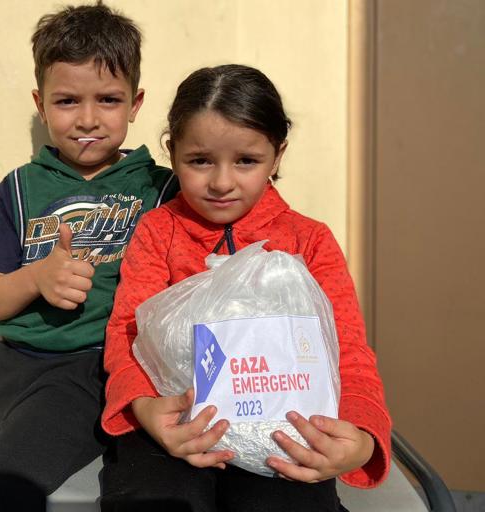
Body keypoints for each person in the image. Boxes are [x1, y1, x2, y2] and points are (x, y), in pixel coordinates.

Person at [100, 64, 391, 512]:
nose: (220, 182)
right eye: (199, 161)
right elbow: (126, 333)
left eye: (246, 161)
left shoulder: (309, 241)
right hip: (178, 427)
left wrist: (361, 438)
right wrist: (143, 407)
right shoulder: (159, 232)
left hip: (284, 433)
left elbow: (347, 351)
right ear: (171, 151)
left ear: (278, 156)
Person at [0, 3, 178, 511]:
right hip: (13, 370)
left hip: (94, 369)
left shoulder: (161, 188)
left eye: (109, 100)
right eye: (68, 100)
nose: (88, 119)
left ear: (136, 103)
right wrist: (36, 277)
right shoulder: (18, 189)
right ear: (41, 103)